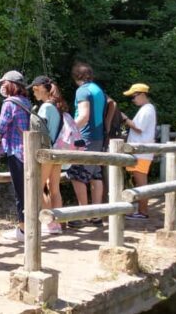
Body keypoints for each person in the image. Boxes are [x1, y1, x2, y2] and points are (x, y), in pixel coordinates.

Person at [0, 70, 30, 241]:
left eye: (3, 83)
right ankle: (28, 227)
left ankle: (23, 230)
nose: (1, 86)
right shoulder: (27, 102)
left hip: (16, 151)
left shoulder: (9, 104)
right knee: (28, 191)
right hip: (29, 151)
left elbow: (0, 128)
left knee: (20, 192)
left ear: (10, 85)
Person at [66, 62, 106, 228]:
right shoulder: (98, 90)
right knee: (96, 175)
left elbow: (83, 116)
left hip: (86, 138)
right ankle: (96, 216)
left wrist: (68, 130)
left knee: (76, 174)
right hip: (99, 137)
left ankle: (83, 215)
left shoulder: (82, 90)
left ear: (77, 77)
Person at [28, 75, 67, 235]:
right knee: (54, 189)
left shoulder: (45, 108)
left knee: (37, 186)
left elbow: (40, 133)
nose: (34, 93)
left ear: (42, 88)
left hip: (46, 152)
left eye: (35, 89)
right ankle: (58, 223)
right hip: (58, 151)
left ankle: (50, 224)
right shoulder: (57, 106)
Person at [122, 83, 157, 219]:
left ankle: (143, 212)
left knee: (141, 183)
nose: (133, 99)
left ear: (142, 94)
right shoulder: (147, 108)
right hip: (141, 153)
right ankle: (142, 211)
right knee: (140, 182)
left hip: (141, 153)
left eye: (134, 96)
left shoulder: (147, 109)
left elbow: (138, 127)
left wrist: (124, 118)